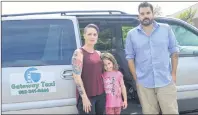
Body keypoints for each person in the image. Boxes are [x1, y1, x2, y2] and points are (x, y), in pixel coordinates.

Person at [125, 2, 179, 114]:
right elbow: (130, 58)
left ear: (153, 14)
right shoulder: (131, 34)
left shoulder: (166, 29)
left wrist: (173, 74)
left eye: (148, 13)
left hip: (165, 80)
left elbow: (174, 52)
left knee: (171, 111)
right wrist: (137, 79)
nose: (145, 16)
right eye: (142, 13)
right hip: (144, 83)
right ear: (138, 16)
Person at [71, 24, 106, 114]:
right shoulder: (79, 53)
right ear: (84, 35)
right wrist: (84, 98)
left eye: (95, 34)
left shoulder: (98, 53)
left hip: (100, 95)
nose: (92, 36)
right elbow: (76, 76)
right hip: (87, 96)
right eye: (89, 34)